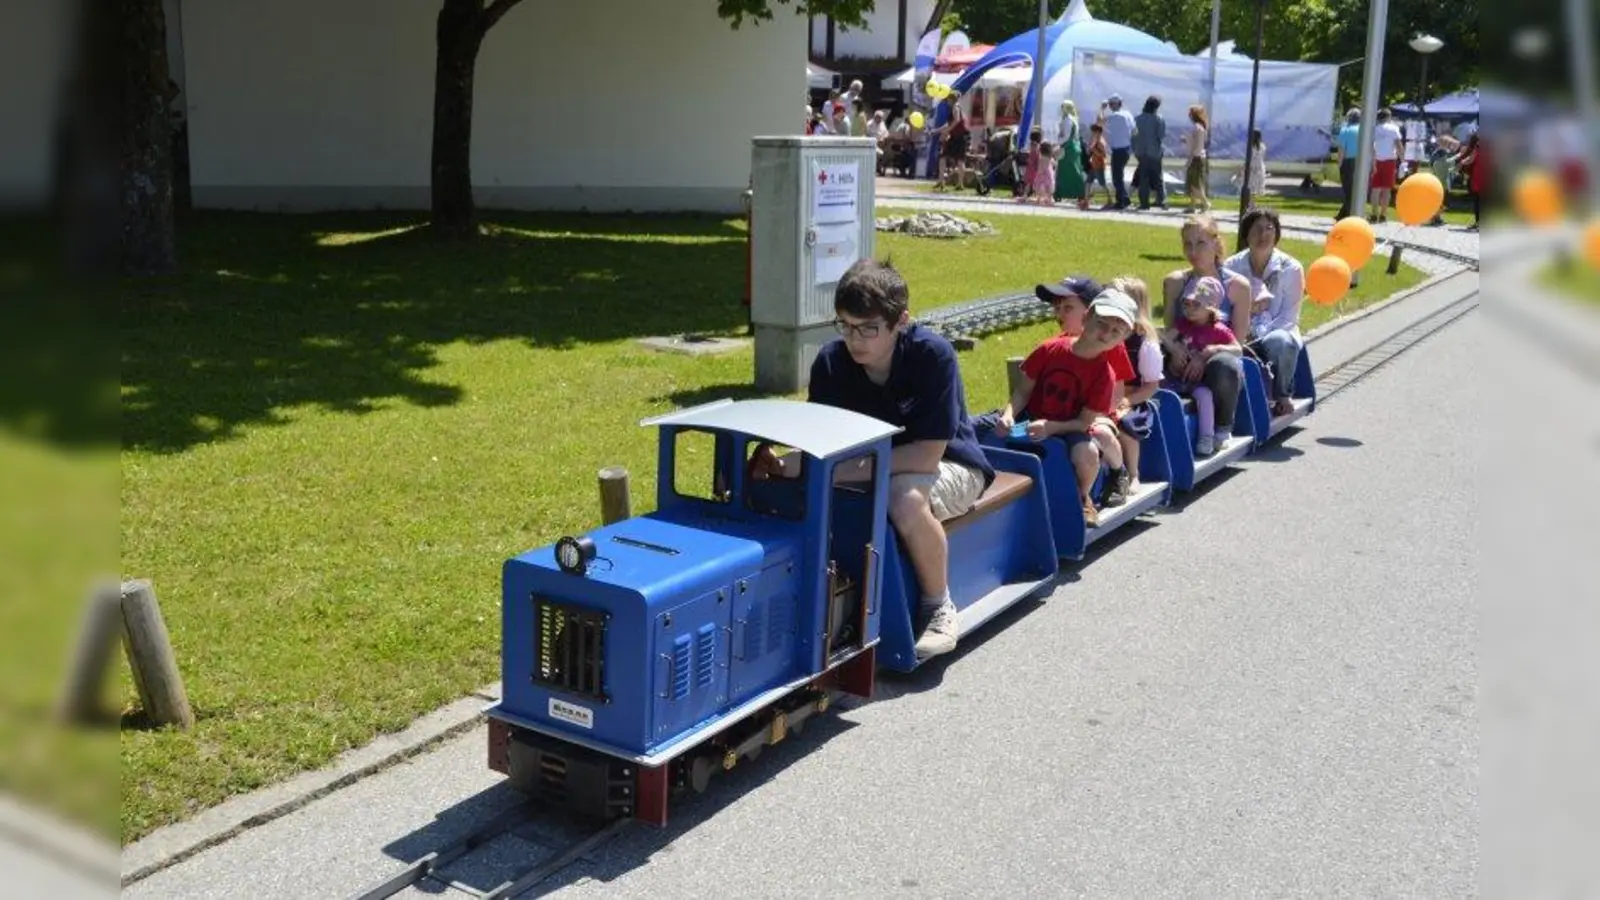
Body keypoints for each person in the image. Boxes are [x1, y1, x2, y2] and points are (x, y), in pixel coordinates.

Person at [752, 258, 993, 661]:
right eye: (845, 325)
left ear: (901, 321)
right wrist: (781, 466)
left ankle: (939, 606)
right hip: (865, 467)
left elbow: (927, 454)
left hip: (952, 465)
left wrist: (840, 470)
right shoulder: (831, 362)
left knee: (903, 499)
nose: (855, 339)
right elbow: (821, 442)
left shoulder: (933, 356)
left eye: (868, 328)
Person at [973, 280, 1136, 527]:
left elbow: (1084, 422)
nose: (1105, 334)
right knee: (971, 426)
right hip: (1029, 416)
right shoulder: (1049, 349)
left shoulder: (1105, 374)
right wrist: (1008, 414)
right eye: (1101, 324)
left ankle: (1082, 497)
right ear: (1088, 316)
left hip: (1069, 427)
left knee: (1087, 452)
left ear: (1122, 338)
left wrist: (1051, 428)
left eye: (1116, 332)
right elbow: (1022, 392)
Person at [1162, 214, 1252, 446]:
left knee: (1222, 365)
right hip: (1183, 357)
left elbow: (1237, 346)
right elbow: (1169, 331)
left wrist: (1206, 354)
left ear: (1215, 243)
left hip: (1219, 359)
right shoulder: (1175, 282)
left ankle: (1223, 426)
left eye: (1201, 243)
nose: (1194, 251)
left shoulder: (1237, 286)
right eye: (1188, 244)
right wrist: (1174, 351)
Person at [1224, 207, 1305, 416]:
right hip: (1240, 330)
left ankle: (1283, 393)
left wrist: (1259, 334)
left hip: (1275, 330)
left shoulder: (1291, 268)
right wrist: (1242, 332)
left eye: (1269, 228)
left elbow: (1289, 317)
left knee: (1280, 341)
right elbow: (1225, 306)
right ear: (1246, 234)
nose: (1263, 235)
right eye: (1257, 229)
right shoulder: (1231, 266)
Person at [1161, 277, 1242, 457]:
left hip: (1198, 382)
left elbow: (1237, 349)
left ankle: (1207, 436)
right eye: (1186, 304)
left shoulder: (1218, 329)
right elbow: (1165, 337)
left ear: (1211, 306)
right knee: (1163, 392)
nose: (1189, 309)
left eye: (1196, 304)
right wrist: (1174, 349)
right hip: (1176, 377)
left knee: (1205, 396)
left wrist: (1213, 349)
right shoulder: (1183, 324)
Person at [1105, 276, 1164, 493]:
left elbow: (1151, 386)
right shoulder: (1103, 336)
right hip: (1103, 395)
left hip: (1133, 398)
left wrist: (1126, 401)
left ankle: (1132, 473)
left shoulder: (1144, 344)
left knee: (1124, 425)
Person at [1132, 95, 1168, 210]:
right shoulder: (1158, 118)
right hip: (1155, 152)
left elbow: (1133, 136)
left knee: (1144, 178)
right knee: (1158, 177)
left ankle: (1144, 203)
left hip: (1141, 151)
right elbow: (1161, 136)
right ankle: (1161, 200)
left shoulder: (1137, 118)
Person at [1334, 108, 1362, 220]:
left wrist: (1339, 164)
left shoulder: (1345, 130)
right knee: (1357, 189)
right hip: (1362, 162)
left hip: (1349, 162)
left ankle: (1346, 214)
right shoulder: (1364, 130)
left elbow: (1341, 150)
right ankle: (1343, 213)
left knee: (1348, 190)